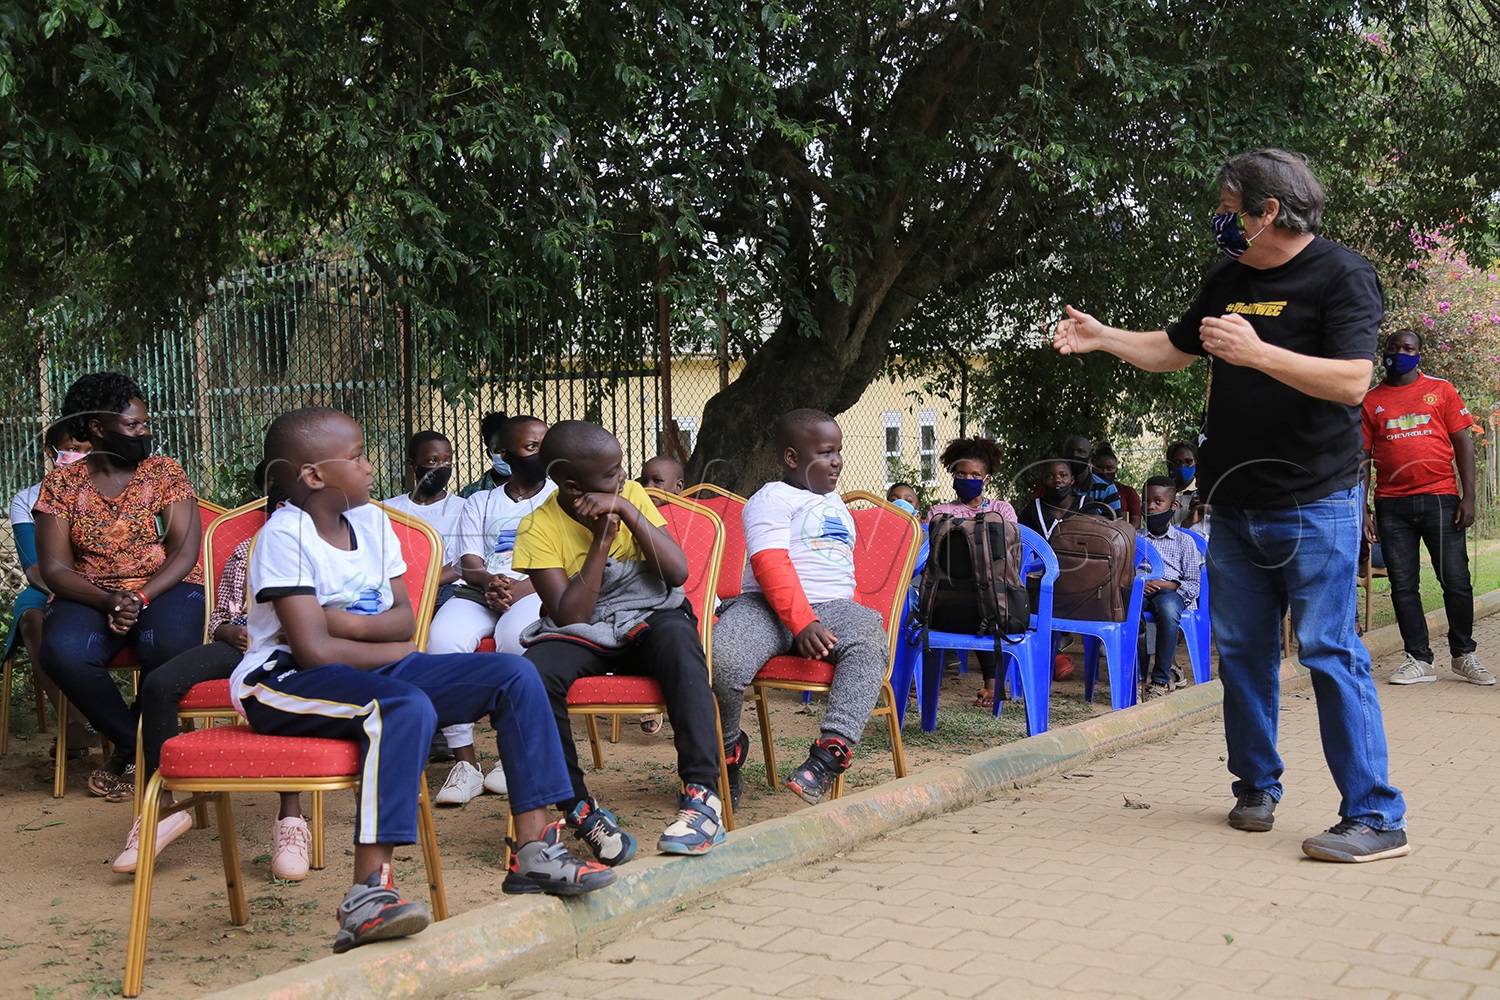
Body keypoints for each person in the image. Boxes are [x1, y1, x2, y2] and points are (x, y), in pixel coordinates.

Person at [1054, 148, 1409, 863]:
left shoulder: (1343, 275)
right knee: (1243, 651)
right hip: (1234, 504)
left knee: (1329, 651)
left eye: (1227, 205)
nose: (1219, 217)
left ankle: (1374, 816)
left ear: (1267, 211)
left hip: (1315, 503)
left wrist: (1257, 354)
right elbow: (1173, 348)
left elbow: (1351, 381)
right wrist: (1102, 338)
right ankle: (1255, 785)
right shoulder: (1230, 277)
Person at [233, 407, 611, 954]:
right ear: (313, 475)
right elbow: (312, 652)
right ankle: (368, 895)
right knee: (403, 705)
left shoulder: (374, 522)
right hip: (280, 678)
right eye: (358, 457)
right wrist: (362, 637)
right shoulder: (283, 536)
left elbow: (407, 626)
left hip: (373, 668)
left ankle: (532, 852)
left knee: (514, 674)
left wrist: (332, 619)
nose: (370, 468)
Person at [513, 420, 728, 861]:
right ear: (574, 486)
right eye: (611, 474)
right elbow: (570, 614)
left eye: (621, 467)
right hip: (585, 626)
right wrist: (601, 541)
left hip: (649, 611)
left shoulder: (631, 496)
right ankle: (577, 807)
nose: (623, 478)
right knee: (531, 674)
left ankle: (703, 796)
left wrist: (628, 512)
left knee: (680, 643)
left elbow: (677, 573)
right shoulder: (537, 528)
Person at [111, 476, 311, 880]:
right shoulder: (246, 549)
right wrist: (228, 631)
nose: (284, 517)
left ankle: (291, 820)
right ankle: (163, 808)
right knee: (159, 683)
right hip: (240, 645)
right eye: (278, 508)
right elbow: (220, 616)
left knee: (280, 690)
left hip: (297, 651)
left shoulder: (326, 552)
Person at [33, 373, 206, 803]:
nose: (143, 432)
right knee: (63, 651)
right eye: (133, 426)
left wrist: (141, 596)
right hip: (91, 592)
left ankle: (135, 749)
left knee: (166, 646)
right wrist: (110, 599)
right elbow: (55, 570)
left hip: (166, 586)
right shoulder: (62, 485)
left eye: (145, 424)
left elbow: (184, 553)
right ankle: (136, 746)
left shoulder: (164, 472)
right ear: (98, 427)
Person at [711, 409, 890, 807]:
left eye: (838, 451)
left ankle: (830, 753)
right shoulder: (772, 497)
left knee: (868, 641)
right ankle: (724, 753)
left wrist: (850, 612)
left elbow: (841, 572)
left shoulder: (836, 505)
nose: (837, 460)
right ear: (792, 458)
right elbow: (769, 562)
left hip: (831, 608)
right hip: (765, 607)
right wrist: (802, 620)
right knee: (722, 657)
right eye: (826, 452)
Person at [426, 415, 554, 805]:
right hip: (482, 591)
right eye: (531, 448)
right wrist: (491, 585)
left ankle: (510, 758)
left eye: (544, 446)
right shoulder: (480, 501)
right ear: (503, 454)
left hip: (535, 587)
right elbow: (468, 561)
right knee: (440, 642)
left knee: (517, 642)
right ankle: (465, 763)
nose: (542, 454)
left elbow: (569, 560)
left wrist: (521, 587)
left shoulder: (558, 496)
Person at [1362, 328, 1490, 686]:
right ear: (1383, 353)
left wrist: (1468, 496)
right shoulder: (1371, 401)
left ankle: (1464, 655)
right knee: (1403, 585)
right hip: (1392, 503)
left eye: (1408, 348)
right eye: (1393, 347)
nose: (1400, 353)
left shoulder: (1441, 390)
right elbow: (1363, 460)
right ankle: (1418, 658)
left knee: (1457, 581)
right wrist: (1363, 510)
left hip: (1441, 498)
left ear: (1420, 354)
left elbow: (1463, 444)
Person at [4, 423, 93, 753]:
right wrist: (63, 588)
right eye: (73, 449)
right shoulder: (26, 499)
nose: (81, 457)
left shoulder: (109, 490)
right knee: (32, 619)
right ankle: (76, 723)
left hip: (101, 581)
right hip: (47, 585)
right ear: (51, 453)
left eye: (88, 450)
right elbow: (32, 566)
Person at [926, 437, 1018, 707]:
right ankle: (921, 687)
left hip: (992, 594)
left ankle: (992, 686)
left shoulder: (1002, 510)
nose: (968, 478)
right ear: (953, 476)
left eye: (975, 475)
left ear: (987, 478)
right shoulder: (939, 512)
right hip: (948, 594)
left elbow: (1009, 555)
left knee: (987, 602)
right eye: (961, 474)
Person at [1137, 477, 1204, 699]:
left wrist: (1170, 585)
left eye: (1158, 502)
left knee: (1167, 611)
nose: (1150, 507)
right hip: (1141, 591)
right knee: (1129, 612)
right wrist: (1139, 583)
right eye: (1146, 501)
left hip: (1171, 592)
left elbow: (1194, 584)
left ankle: (1159, 681)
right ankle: (1136, 679)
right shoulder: (1135, 539)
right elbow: (1124, 573)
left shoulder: (1184, 541)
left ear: (1173, 506)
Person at [382, 431, 464, 611]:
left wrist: (422, 583)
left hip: (443, 590)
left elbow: (462, 562)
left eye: (447, 461)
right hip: (395, 588)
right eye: (432, 461)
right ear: (412, 464)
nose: (441, 467)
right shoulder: (387, 510)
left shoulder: (464, 509)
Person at [1016, 460, 1084, 539]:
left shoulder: (1085, 505)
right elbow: (1022, 541)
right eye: (1050, 476)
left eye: (1063, 475)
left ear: (1072, 480)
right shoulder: (1033, 509)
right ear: (1044, 480)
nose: (1057, 480)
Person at [1061, 435, 1121, 515]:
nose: (1075, 455)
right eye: (1069, 451)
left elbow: (1116, 524)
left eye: (1081, 451)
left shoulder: (1107, 489)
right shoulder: (1056, 487)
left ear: (1089, 458)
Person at [458, 411, 511, 498]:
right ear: (489, 454)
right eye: (500, 451)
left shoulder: (536, 487)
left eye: (511, 450)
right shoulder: (471, 493)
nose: (507, 456)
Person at [1092, 442, 1141, 529]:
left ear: (1116, 470)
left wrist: (1123, 535)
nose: (1105, 472)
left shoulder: (1128, 491)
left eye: (1109, 468)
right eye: (1100, 468)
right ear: (1093, 468)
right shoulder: (1090, 490)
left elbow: (1136, 523)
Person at [1166, 440, 1207, 530]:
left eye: (1188, 461)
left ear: (1196, 462)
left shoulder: (1204, 493)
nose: (1183, 467)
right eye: (1177, 462)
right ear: (1170, 464)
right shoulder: (1163, 492)